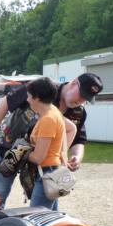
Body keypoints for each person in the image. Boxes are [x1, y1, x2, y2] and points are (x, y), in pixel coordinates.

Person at [0, 72, 103, 206]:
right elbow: (7, 102)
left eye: (86, 98)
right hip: (10, 148)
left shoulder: (77, 112)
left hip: (38, 162)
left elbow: (78, 137)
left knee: (45, 197)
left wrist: (75, 156)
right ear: (74, 83)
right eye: (81, 95)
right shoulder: (43, 87)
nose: (81, 101)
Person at [24, 77, 74, 210]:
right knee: (52, 217)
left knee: (36, 218)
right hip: (51, 171)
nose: (27, 100)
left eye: (29, 96)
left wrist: (21, 153)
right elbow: (71, 129)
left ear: (37, 98)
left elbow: (38, 157)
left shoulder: (48, 119)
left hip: (46, 173)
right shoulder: (53, 111)